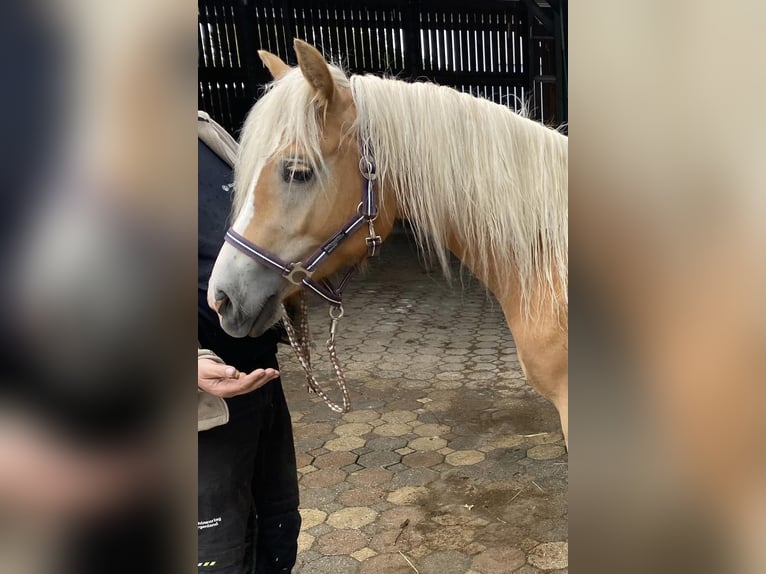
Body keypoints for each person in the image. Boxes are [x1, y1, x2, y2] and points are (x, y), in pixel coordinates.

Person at [197, 111, 301, 574]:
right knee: (215, 550)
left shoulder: (207, 137)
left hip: (257, 378)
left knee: (276, 524)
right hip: (199, 409)